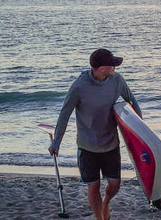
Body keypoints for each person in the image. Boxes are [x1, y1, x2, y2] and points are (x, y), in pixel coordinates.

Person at [49, 49, 142, 220]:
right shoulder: (79, 87)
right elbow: (64, 114)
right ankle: (100, 217)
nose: (115, 66)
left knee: (115, 184)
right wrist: (56, 142)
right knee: (93, 186)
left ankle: (105, 202)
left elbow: (132, 100)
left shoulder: (117, 80)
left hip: (111, 144)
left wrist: (142, 131)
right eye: (112, 64)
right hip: (87, 146)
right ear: (101, 68)